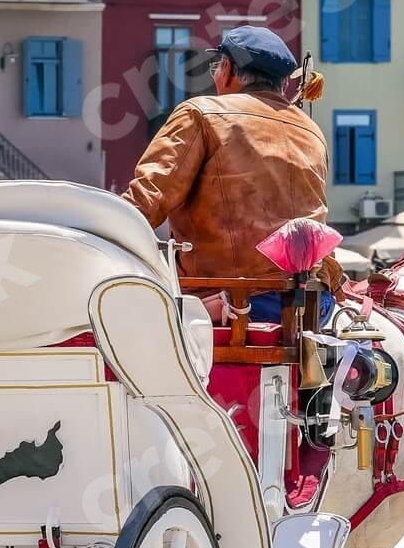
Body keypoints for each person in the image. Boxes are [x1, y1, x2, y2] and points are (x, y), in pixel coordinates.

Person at [121, 26, 334, 325]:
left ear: (229, 69)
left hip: (232, 306)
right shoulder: (312, 131)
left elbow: (143, 205)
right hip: (313, 306)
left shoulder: (200, 114)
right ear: (282, 83)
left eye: (216, 67)